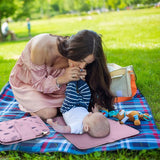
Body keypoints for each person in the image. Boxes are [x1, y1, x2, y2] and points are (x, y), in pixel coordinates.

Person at [9, 30, 115, 120]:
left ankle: (44, 104)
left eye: (86, 63)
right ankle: (28, 106)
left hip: (54, 88)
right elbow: (38, 83)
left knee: (78, 105)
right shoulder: (41, 46)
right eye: (81, 60)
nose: (82, 66)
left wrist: (78, 79)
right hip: (29, 83)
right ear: (73, 50)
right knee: (49, 113)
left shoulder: (74, 58)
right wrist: (63, 79)